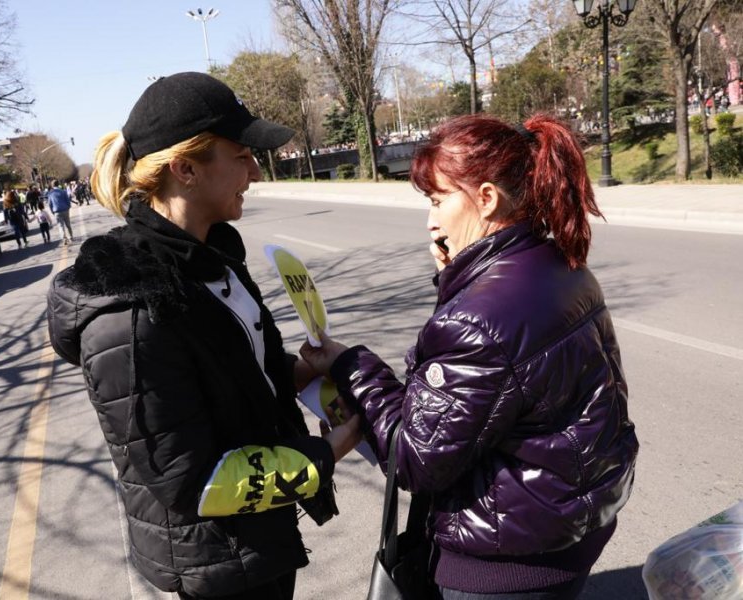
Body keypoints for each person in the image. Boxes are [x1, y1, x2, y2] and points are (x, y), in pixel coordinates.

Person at [46, 72, 361, 600]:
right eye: (241, 155)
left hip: (260, 541)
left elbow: (234, 379)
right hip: (217, 566)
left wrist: (303, 368)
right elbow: (190, 481)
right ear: (185, 169)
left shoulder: (213, 261)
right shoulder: (132, 310)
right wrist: (331, 450)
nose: (256, 171)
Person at [299, 114, 639, 600]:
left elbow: (416, 459)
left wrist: (351, 365)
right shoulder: (558, 263)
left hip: (505, 558)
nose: (431, 219)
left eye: (438, 200)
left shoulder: (479, 315)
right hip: (570, 524)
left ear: (486, 197)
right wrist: (455, 283)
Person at [47, 179, 74, 245]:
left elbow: (50, 204)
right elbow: (67, 200)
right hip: (65, 209)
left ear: (52, 185)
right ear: (58, 184)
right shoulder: (63, 191)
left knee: (60, 226)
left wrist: (52, 211)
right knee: (68, 224)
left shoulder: (50, 193)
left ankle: (64, 239)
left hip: (57, 211)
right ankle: (71, 237)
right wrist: (68, 207)